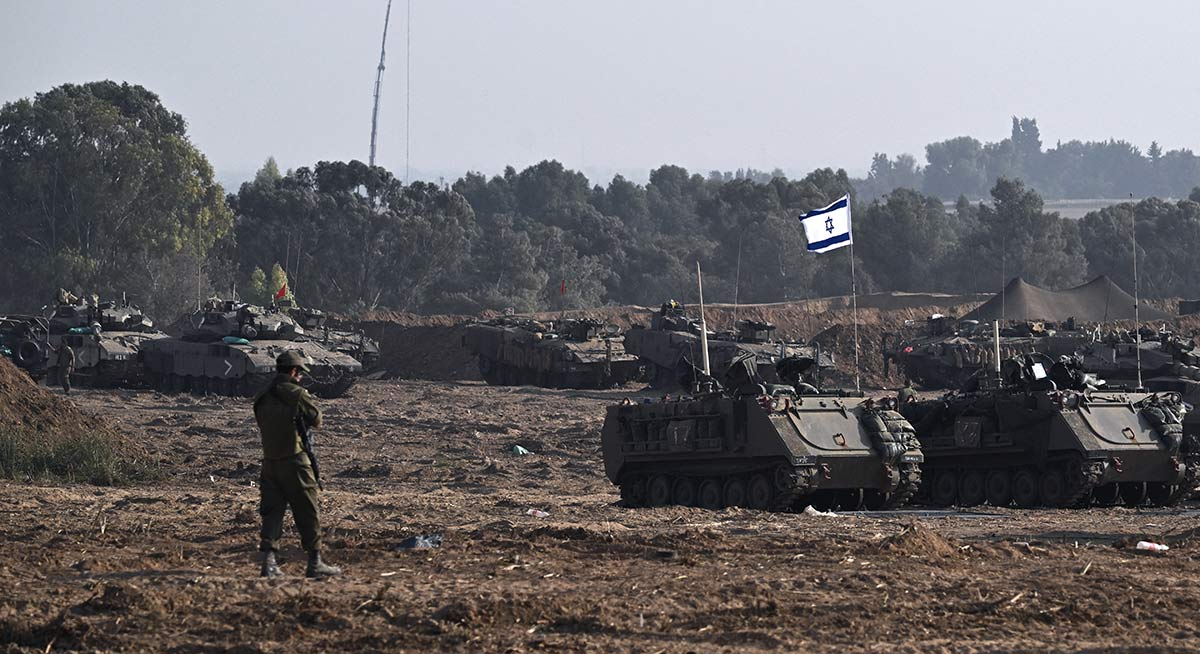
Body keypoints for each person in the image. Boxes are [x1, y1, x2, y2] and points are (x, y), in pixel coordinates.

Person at [252, 351, 341, 579]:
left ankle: (269, 563)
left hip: (270, 462)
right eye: (300, 373)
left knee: (272, 513)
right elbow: (317, 420)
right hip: (295, 462)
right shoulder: (297, 394)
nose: (300, 377)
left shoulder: (262, 395)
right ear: (294, 371)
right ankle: (315, 562)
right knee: (307, 510)